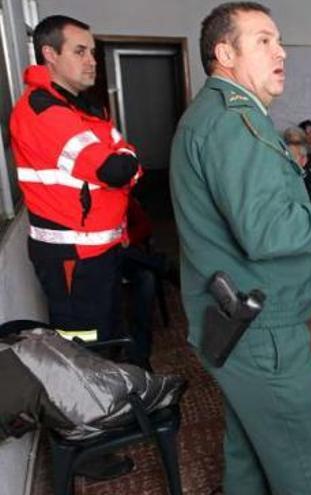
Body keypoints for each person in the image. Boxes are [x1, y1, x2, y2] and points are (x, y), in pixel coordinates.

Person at [169, 3, 311, 494]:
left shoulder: (219, 115)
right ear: (225, 53)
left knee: (252, 458)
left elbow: (261, 214)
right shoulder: (232, 122)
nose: (281, 51)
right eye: (263, 40)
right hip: (261, 330)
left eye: (278, 40)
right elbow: (264, 229)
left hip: (233, 323)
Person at [9, 14, 143, 480]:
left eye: (92, 51)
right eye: (80, 51)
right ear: (49, 54)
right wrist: (124, 158)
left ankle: (103, 425)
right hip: (72, 260)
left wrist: (122, 156)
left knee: (100, 346)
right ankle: (86, 454)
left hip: (97, 256)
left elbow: (121, 155)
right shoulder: (45, 111)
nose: (92, 61)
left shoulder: (78, 109)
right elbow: (116, 169)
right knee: (79, 357)